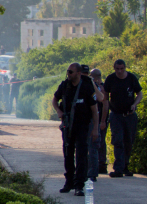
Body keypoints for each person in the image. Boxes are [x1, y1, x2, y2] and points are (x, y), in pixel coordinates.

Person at [52, 63, 98, 196]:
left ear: (78, 73)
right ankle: (69, 182)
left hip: (83, 126)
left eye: (71, 72)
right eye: (67, 72)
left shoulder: (86, 87)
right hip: (68, 126)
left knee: (81, 156)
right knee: (68, 154)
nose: (68, 74)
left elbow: (94, 110)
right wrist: (59, 111)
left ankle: (79, 185)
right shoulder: (65, 86)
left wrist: (95, 129)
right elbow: (55, 100)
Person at [104, 59, 143, 178]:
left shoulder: (131, 78)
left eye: (122, 69)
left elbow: (139, 93)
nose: (120, 71)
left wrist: (134, 104)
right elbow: (105, 98)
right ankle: (118, 169)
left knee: (128, 142)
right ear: (114, 68)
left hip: (129, 116)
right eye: (117, 69)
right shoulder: (110, 79)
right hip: (116, 115)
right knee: (118, 141)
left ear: (125, 68)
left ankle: (126, 166)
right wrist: (104, 117)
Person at [80, 65, 105, 181]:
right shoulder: (75, 84)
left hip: (91, 120)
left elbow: (101, 98)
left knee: (93, 147)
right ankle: (81, 172)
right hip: (80, 120)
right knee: (80, 148)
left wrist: (92, 83)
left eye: (86, 75)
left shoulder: (92, 85)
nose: (84, 77)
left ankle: (92, 174)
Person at [90, 68, 109, 175]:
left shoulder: (102, 88)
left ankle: (101, 165)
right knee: (97, 143)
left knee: (100, 143)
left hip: (100, 119)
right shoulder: (98, 86)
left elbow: (105, 105)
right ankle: (97, 164)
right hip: (97, 119)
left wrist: (102, 121)